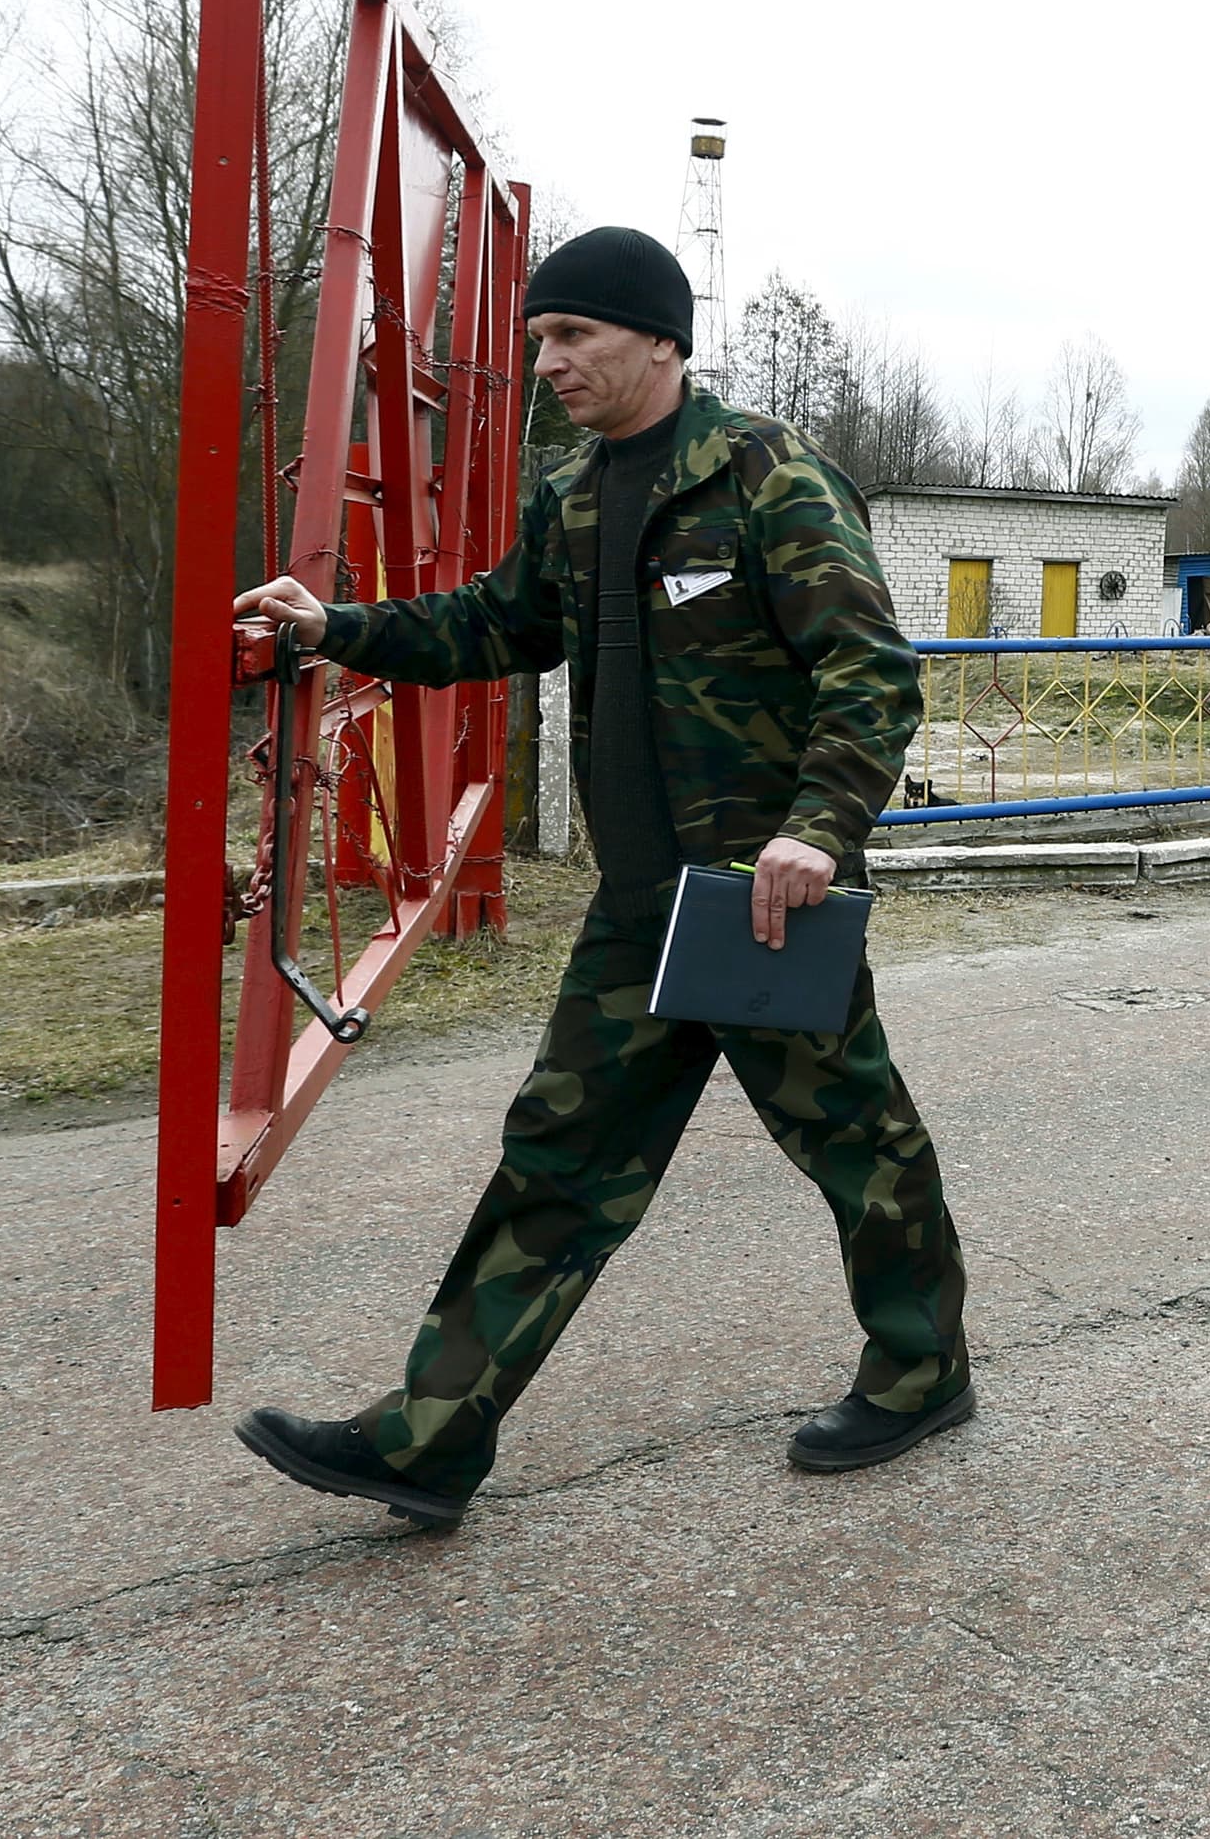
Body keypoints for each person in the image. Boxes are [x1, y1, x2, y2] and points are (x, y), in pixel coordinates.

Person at [225, 226, 971, 1530]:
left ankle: (922, 1368)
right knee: (557, 1162)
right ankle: (430, 1439)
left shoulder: (764, 478)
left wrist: (818, 830)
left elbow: (870, 666)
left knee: (856, 1142)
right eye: (539, 339)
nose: (549, 360)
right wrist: (331, 628)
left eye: (573, 336)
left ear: (659, 340)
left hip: (760, 899)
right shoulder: (573, 495)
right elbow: (492, 625)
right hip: (639, 909)